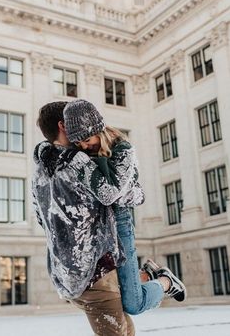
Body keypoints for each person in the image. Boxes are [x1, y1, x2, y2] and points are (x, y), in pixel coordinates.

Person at [63, 99, 187, 315]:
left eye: (86, 139)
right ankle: (145, 275)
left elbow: (109, 194)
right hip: (94, 228)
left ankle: (166, 282)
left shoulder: (123, 150)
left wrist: (79, 161)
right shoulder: (81, 153)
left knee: (133, 304)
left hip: (119, 226)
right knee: (106, 291)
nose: (83, 146)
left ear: (99, 130)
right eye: (77, 143)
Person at [32, 101, 146, 336]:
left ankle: (149, 278)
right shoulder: (77, 163)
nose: (81, 142)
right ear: (64, 126)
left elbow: (41, 218)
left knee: (127, 325)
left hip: (66, 275)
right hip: (95, 272)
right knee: (123, 325)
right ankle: (153, 278)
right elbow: (111, 196)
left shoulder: (40, 169)